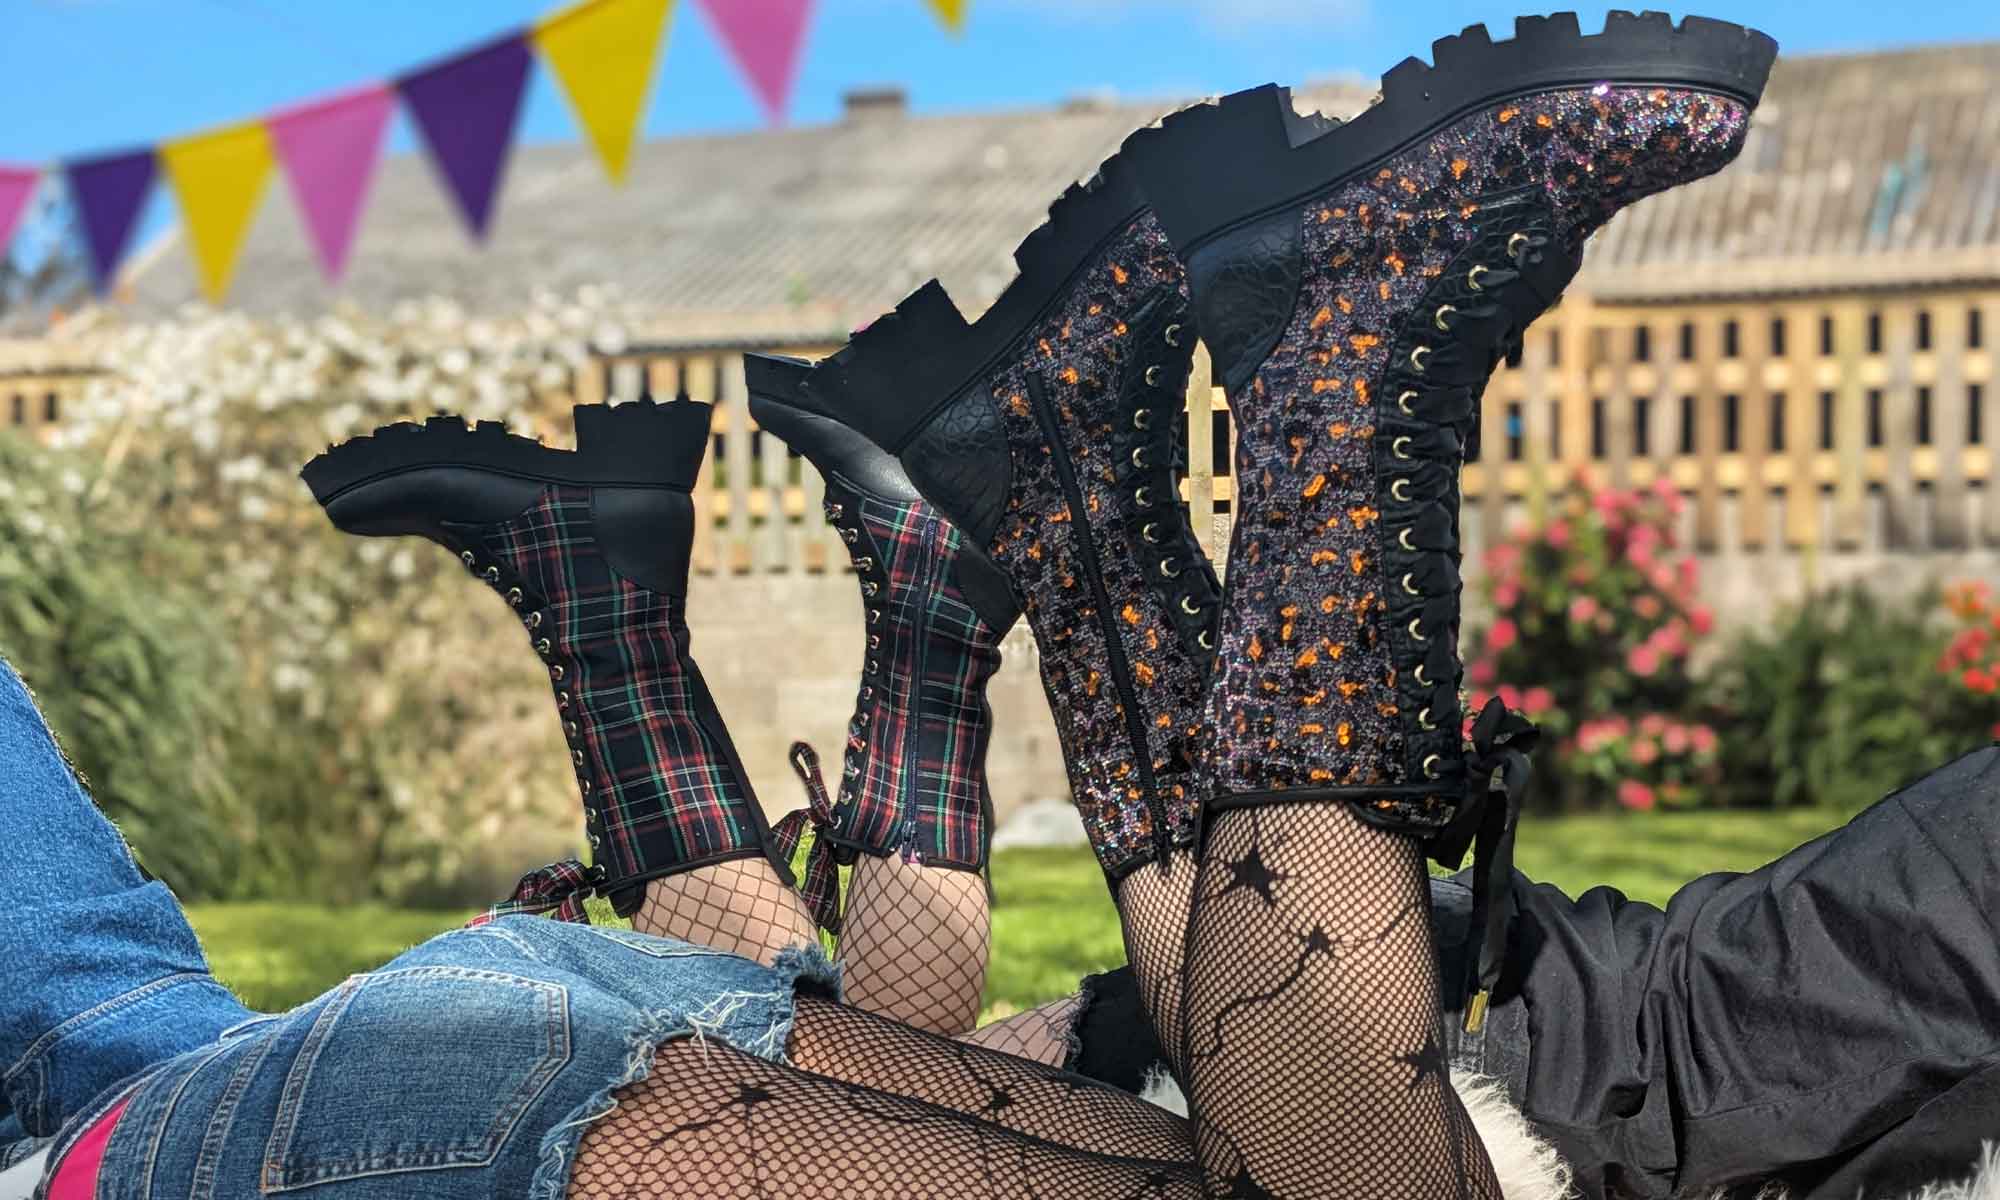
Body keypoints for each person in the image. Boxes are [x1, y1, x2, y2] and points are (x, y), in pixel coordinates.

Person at [4, 15, 1782, 1198]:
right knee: (1294, 1164)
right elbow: (86, 995)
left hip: (275, 1125)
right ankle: (1121, 450)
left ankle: (1317, 367)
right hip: (346, 1064)